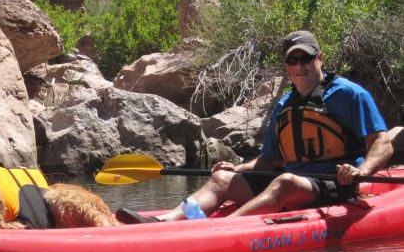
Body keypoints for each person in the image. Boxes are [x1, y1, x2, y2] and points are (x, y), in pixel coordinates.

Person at [116, 30, 394, 224]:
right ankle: (168, 220)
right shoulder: (285, 104)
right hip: (296, 183)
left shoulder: (349, 94)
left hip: (335, 185)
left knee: (284, 182)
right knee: (222, 179)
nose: (300, 66)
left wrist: (362, 171)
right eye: (293, 60)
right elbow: (269, 160)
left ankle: (220, 229)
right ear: (286, 66)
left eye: (306, 58)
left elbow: (382, 142)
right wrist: (235, 168)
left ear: (319, 58)